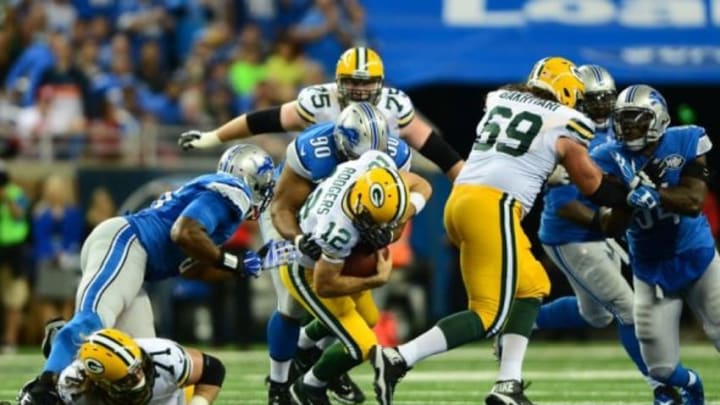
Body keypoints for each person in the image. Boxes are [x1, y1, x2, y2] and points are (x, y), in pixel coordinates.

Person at [369, 57, 642, 405]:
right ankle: (398, 358)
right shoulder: (567, 121)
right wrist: (631, 194)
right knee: (487, 315)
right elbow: (595, 188)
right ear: (568, 90)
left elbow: (523, 145)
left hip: (462, 199)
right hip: (494, 207)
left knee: (532, 287)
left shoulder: (502, 99)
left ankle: (508, 385)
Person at [19, 144, 276, 404]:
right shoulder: (233, 192)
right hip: (126, 242)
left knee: (138, 366)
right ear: (253, 178)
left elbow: (190, 265)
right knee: (90, 322)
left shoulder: (219, 207)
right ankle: (41, 391)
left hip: (137, 264)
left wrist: (236, 268)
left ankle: (66, 349)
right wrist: (233, 262)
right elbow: (183, 233)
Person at [493, 65, 679, 404]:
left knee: (596, 314)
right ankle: (661, 387)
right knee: (627, 308)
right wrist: (610, 224)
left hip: (597, 232)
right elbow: (567, 205)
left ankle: (517, 325)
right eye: (593, 100)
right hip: (571, 236)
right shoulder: (569, 133)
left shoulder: (614, 131)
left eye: (607, 99)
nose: (602, 107)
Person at [264, 101, 412, 404]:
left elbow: (417, 188)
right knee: (291, 307)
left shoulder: (377, 161)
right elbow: (282, 208)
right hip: (298, 225)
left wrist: (390, 230)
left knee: (367, 317)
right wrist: (298, 239)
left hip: (334, 225)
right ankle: (285, 386)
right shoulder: (312, 152)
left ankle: (308, 352)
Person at [591, 85, 716, 405]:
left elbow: (693, 201)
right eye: (623, 120)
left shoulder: (685, 140)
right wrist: (628, 202)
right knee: (660, 368)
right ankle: (691, 384)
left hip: (695, 254)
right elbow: (607, 224)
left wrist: (656, 193)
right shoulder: (606, 156)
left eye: (637, 119)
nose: (628, 127)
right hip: (650, 267)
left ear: (659, 119)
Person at [275, 152, 432, 405]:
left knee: (369, 318)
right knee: (362, 346)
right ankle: (307, 388)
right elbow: (326, 286)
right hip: (308, 272)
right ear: (359, 205)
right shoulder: (336, 229)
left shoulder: (374, 170)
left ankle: (303, 346)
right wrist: (375, 281)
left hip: (338, 261)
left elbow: (423, 185)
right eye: (373, 222)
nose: (377, 230)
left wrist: (396, 223)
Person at [178, 46, 464, 181]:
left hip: (371, 185)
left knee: (413, 184)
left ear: (379, 84)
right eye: (352, 81)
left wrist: (467, 184)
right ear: (338, 81)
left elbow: (438, 151)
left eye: (366, 83)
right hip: (318, 182)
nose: (359, 89)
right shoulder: (320, 101)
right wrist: (214, 136)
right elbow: (261, 121)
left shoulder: (394, 106)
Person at [21, 327, 225, 405]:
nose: (139, 378)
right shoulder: (75, 387)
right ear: (100, 383)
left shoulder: (165, 357)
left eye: (138, 369)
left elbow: (213, 370)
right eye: (128, 378)